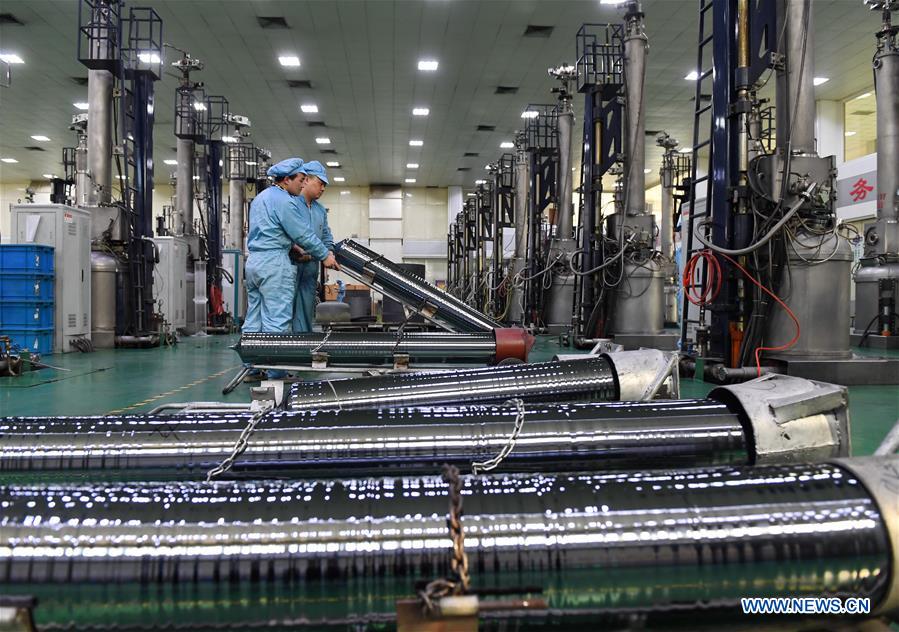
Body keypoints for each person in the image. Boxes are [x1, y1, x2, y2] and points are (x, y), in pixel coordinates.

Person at [244, 158, 339, 339]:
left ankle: (253, 362)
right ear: (287, 179)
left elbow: (269, 231)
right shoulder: (286, 201)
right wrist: (324, 255)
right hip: (275, 265)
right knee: (277, 321)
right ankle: (275, 368)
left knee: (254, 318)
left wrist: (293, 248)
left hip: (255, 262)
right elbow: (302, 234)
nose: (302, 185)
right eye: (300, 180)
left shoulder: (260, 198)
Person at [292, 160, 338, 333]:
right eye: (320, 183)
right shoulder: (292, 205)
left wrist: (330, 252)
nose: (323, 188)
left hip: (310, 269)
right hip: (291, 266)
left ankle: (302, 348)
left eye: (325, 185)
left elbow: (326, 235)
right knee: (285, 311)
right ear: (306, 180)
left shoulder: (320, 210)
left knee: (305, 312)